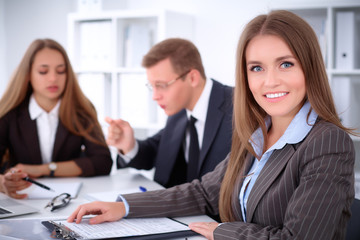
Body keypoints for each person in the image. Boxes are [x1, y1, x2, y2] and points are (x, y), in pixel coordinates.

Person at [68, 10, 356, 240]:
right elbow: (204, 193)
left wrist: (223, 232)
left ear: (310, 67)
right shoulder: (256, 131)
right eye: (257, 67)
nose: (270, 81)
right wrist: (124, 206)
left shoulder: (327, 143)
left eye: (286, 64)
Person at [106, 38, 233, 188]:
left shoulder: (238, 107)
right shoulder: (179, 109)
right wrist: (129, 146)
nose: (155, 96)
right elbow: (158, 151)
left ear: (192, 78)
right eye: (152, 86)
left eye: (161, 85)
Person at [0, 38, 113, 199]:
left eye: (61, 71)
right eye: (43, 71)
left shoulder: (82, 109)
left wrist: (44, 169)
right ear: (28, 74)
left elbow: (103, 162)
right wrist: (3, 183)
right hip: (22, 199)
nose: (53, 78)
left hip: (69, 199)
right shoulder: (9, 112)